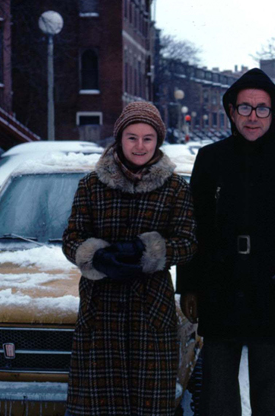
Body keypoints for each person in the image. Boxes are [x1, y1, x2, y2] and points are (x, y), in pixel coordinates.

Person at [178, 68, 275, 415]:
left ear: (274, 113)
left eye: (262, 108)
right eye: (244, 108)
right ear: (231, 111)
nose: (253, 117)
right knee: (218, 398)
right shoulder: (211, 159)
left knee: (267, 396)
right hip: (220, 287)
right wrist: (189, 284)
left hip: (274, 289)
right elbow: (193, 226)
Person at [62, 101, 197, 415]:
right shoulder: (91, 186)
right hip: (100, 315)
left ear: (158, 141)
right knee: (99, 405)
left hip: (150, 316)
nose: (139, 145)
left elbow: (189, 242)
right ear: (119, 139)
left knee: (148, 405)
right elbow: (71, 238)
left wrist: (148, 254)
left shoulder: (175, 188)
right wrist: (97, 257)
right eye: (132, 137)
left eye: (147, 138)